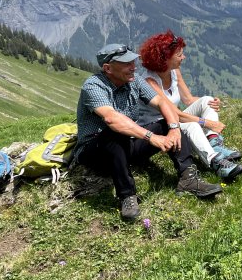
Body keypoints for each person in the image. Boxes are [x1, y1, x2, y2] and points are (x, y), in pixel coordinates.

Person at [73, 43, 222, 221]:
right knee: (112, 132)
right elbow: (112, 119)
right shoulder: (94, 86)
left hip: (126, 145)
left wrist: (174, 128)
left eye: (133, 62)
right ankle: (127, 195)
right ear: (108, 68)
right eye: (127, 63)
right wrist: (151, 137)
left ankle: (188, 178)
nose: (133, 67)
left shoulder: (134, 80)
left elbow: (161, 102)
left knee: (167, 122)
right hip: (96, 152)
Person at [137, 31, 242, 182]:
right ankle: (216, 162)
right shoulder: (149, 81)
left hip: (174, 119)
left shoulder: (174, 71)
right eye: (179, 54)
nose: (183, 57)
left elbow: (188, 99)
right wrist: (207, 123)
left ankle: (213, 142)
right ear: (166, 57)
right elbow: (175, 113)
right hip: (159, 125)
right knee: (193, 126)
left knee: (206, 100)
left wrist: (211, 102)